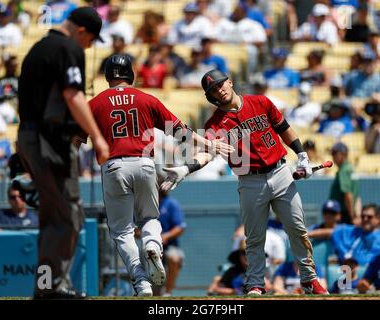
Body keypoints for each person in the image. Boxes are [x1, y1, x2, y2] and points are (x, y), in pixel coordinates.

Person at [161, 70, 329, 295]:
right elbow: (207, 153)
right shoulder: (214, 124)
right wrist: (187, 168)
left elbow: (284, 128)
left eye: (221, 84)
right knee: (254, 237)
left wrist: (301, 155)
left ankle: (309, 279)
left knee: (298, 229)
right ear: (210, 96)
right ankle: (256, 283)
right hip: (250, 181)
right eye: (214, 89)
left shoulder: (261, 101)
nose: (220, 90)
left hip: (280, 172)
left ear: (230, 81)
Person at [88, 55, 232, 296]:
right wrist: (208, 144)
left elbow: (74, 139)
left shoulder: (95, 103)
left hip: (113, 166)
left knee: (122, 231)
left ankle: (141, 281)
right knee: (149, 219)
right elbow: (180, 131)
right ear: (130, 75)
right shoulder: (146, 98)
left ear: (108, 76)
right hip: (145, 164)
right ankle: (153, 245)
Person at [17, 7, 110, 299]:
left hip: (28, 137)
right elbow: (73, 95)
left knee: (52, 217)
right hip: (50, 141)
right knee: (68, 217)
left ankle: (46, 287)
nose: (90, 46)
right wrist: (97, 137)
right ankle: (52, 287)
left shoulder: (39, 47)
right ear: (82, 31)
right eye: (92, 40)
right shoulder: (68, 47)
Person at [157, 189, 187, 297]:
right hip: (150, 246)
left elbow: (181, 227)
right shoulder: (145, 204)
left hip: (169, 245)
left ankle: (167, 293)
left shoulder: (171, 203)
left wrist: (166, 236)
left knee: (174, 258)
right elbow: (135, 229)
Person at [329, 142, 360, 224]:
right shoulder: (350, 168)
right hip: (349, 212)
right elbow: (357, 196)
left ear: (344, 154)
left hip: (344, 214)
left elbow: (348, 194)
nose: (333, 156)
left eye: (335, 153)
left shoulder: (344, 171)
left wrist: (351, 216)